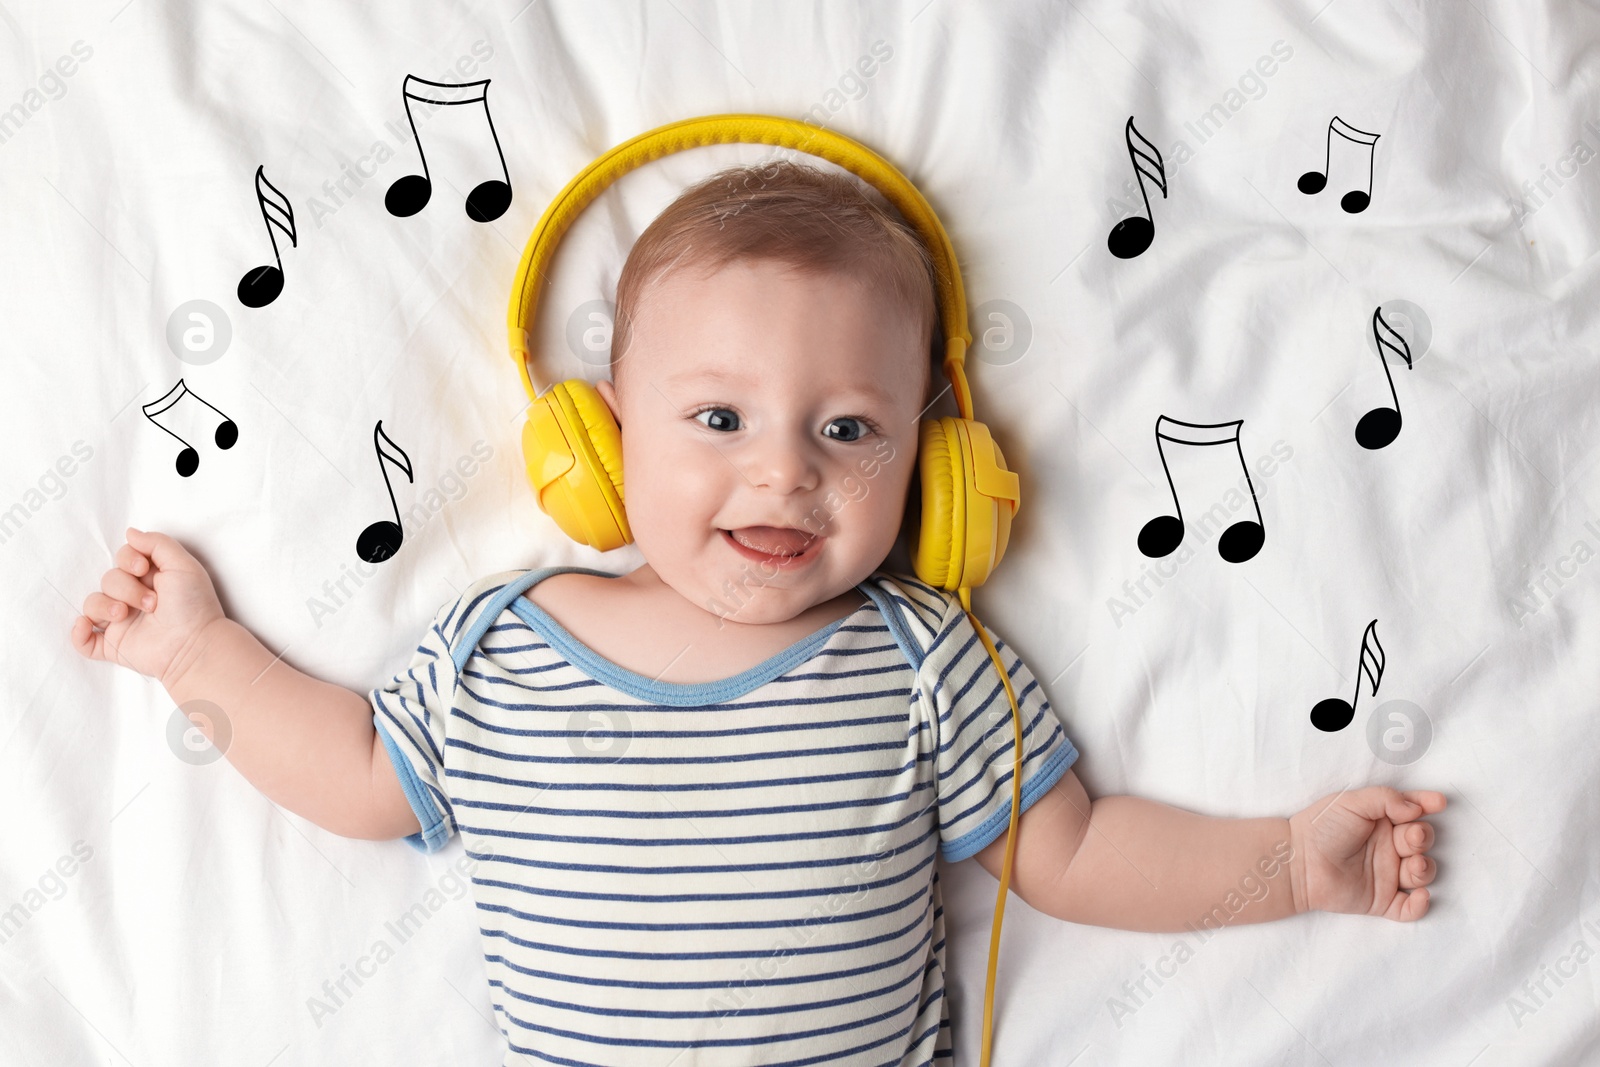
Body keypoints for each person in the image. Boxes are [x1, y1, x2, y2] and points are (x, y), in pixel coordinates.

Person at [71, 160, 1445, 1066]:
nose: (783, 468)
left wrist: (1291, 864)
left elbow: (1072, 853)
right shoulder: (504, 647)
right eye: (716, 418)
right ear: (602, 447)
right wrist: (200, 652)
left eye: (850, 427)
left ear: (934, 465)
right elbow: (362, 773)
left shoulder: (921, 658)